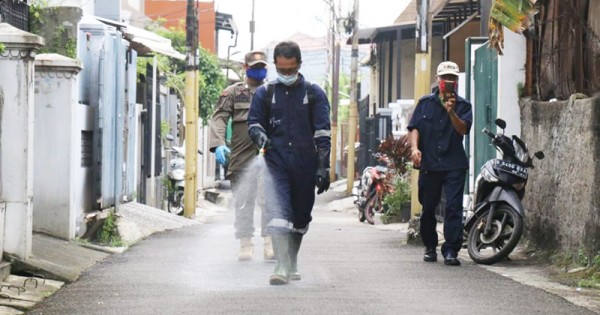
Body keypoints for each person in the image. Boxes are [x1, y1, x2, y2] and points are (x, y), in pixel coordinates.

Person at [246, 41, 331, 285]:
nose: (286, 74)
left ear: (299, 65)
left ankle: (291, 260)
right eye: (281, 70)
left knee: (301, 217)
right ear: (275, 66)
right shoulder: (265, 93)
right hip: (276, 164)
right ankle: (281, 265)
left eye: (290, 70)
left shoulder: (314, 93)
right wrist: (259, 135)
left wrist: (323, 166)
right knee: (278, 214)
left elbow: (322, 132)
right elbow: (254, 123)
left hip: (305, 164)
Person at [208, 50, 275, 262]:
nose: (259, 71)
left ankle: (269, 243)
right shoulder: (234, 93)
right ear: (245, 68)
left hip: (269, 155)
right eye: (255, 67)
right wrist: (218, 144)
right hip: (241, 156)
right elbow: (218, 118)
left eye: (262, 67)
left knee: (269, 199)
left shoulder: (274, 92)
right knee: (244, 201)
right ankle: (245, 243)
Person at [407, 61, 473, 266]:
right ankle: (429, 246)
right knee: (428, 208)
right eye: (445, 78)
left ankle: (451, 250)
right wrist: (414, 149)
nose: (448, 81)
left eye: (452, 78)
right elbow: (414, 127)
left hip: (454, 163)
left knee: (453, 208)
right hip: (430, 164)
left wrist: (451, 112)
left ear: (457, 81)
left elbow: (463, 130)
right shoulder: (425, 103)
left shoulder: (463, 105)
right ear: (438, 80)